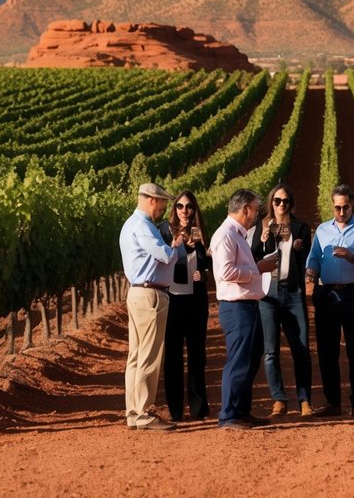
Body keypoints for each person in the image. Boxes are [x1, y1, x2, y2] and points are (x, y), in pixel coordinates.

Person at [304, 183, 354, 417]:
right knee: (327, 351)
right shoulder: (323, 230)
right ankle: (333, 403)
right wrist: (310, 273)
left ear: (352, 204)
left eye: (345, 207)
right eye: (337, 208)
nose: (342, 212)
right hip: (327, 294)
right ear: (332, 206)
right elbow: (314, 257)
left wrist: (350, 257)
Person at [211, 188, 279, 430]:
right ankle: (228, 416)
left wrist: (258, 266)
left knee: (250, 360)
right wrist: (258, 269)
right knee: (238, 361)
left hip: (247, 305)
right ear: (245, 209)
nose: (257, 214)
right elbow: (226, 273)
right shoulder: (226, 236)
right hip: (236, 307)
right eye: (255, 209)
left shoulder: (237, 235)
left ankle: (241, 411)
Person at [118, 182, 183, 431]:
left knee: (136, 355)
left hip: (138, 292)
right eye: (163, 202)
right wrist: (175, 246)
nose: (164, 207)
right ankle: (143, 412)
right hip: (150, 295)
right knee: (149, 355)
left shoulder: (129, 225)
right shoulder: (143, 226)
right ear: (151, 200)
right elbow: (164, 255)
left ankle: (133, 412)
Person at [248, 182, 314, 417]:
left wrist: (298, 248)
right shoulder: (260, 226)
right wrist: (264, 237)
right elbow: (252, 256)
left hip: (293, 292)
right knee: (271, 351)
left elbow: (308, 258)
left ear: (290, 203)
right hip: (268, 293)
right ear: (271, 202)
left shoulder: (301, 228)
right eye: (277, 201)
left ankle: (304, 400)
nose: (281, 205)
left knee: (301, 348)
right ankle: (279, 399)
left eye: (285, 201)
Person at [158, 190, 211, 422]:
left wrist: (203, 271)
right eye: (180, 206)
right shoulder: (166, 229)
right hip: (173, 300)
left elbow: (205, 262)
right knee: (173, 356)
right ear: (175, 209)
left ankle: (199, 408)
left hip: (196, 300)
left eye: (188, 207)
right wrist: (177, 242)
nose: (184, 211)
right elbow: (164, 257)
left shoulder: (199, 232)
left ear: (194, 209)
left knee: (197, 355)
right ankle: (176, 410)